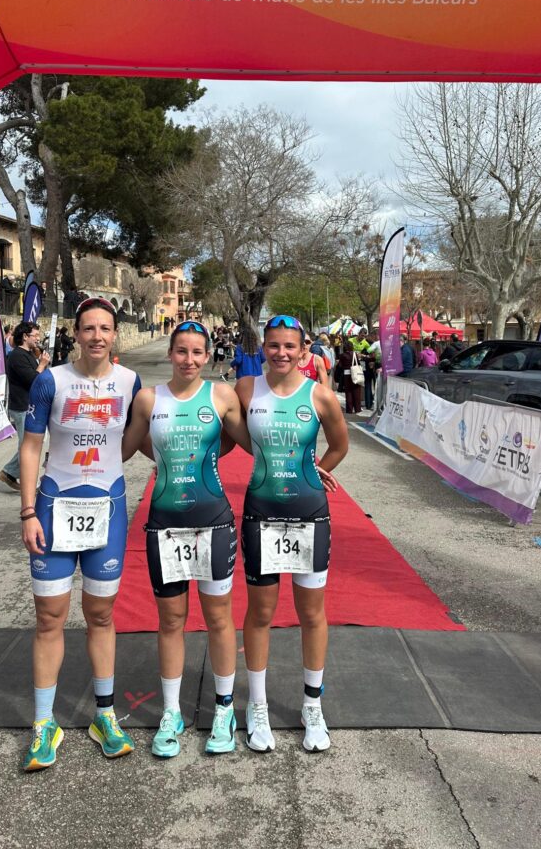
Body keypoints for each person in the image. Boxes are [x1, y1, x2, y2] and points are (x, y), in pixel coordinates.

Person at [19, 297, 142, 771]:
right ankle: (43, 723)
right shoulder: (50, 381)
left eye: (105, 328)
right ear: (75, 333)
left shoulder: (129, 382)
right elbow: (31, 447)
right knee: (49, 617)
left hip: (107, 507)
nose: (97, 336)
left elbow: (139, 437)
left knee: (101, 614)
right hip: (54, 508)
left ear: (115, 334)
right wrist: (28, 512)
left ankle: (104, 715)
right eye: (88, 328)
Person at [121, 320, 251, 758]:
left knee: (219, 618)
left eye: (197, 352)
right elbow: (127, 448)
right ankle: (171, 712)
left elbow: (250, 443)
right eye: (181, 351)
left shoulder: (221, 396)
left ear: (208, 356)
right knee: (172, 620)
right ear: (170, 353)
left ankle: (224, 709)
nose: (189, 360)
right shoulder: (148, 399)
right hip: (164, 524)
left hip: (213, 521)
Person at [235, 314, 347, 755]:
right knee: (260, 612)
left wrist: (317, 471)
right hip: (261, 512)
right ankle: (258, 705)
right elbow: (227, 433)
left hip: (308, 513)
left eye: (289, 346)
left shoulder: (320, 396)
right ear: (263, 347)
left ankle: (312, 706)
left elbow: (339, 445)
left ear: (304, 351)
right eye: (273, 345)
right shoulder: (247, 389)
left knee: (311, 613)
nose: (281, 352)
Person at [0, 322, 50, 493]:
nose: (38, 339)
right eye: (35, 335)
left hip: (30, 405)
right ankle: (29, 483)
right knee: (29, 446)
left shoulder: (27, 354)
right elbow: (33, 380)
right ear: (25, 337)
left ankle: (9, 472)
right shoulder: (17, 356)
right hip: (22, 406)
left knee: (30, 443)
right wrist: (41, 365)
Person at [337, 338, 363, 414]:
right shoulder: (355, 354)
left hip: (346, 375)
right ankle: (357, 408)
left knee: (348, 392)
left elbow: (340, 366)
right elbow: (358, 363)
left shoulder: (342, 355)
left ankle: (349, 409)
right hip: (355, 373)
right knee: (356, 392)